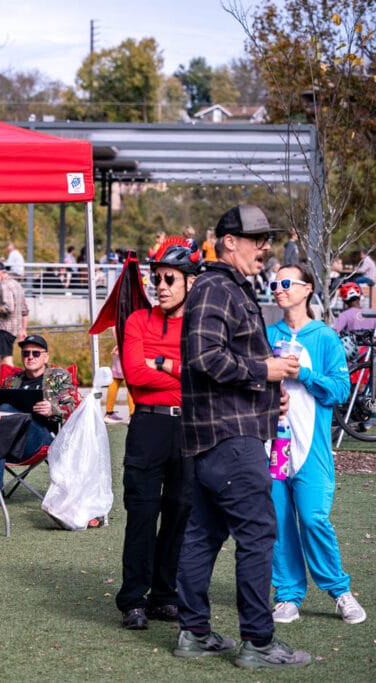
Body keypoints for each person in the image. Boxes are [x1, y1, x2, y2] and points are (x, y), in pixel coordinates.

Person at [176, 204, 311, 669]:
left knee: (205, 533)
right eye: (257, 239)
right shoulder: (217, 287)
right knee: (257, 533)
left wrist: (268, 393)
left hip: (219, 437)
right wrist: (264, 371)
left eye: (267, 239)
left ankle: (194, 632)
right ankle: (257, 641)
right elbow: (204, 357)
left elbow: (219, 362)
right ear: (229, 241)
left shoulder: (222, 286)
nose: (265, 247)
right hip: (231, 440)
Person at [266, 264, 365, 625]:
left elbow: (339, 390)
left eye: (286, 283)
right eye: (274, 284)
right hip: (274, 447)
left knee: (312, 518)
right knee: (278, 522)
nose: (278, 289)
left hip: (312, 450)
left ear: (307, 288)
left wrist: (303, 374)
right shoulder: (267, 334)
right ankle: (287, 595)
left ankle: (340, 591)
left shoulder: (324, 337)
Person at [116, 239, 200, 630]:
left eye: (170, 279)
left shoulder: (200, 325)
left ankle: (164, 596)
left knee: (181, 513)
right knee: (142, 514)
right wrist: (181, 374)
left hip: (189, 428)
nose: (161, 286)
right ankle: (133, 599)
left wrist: (162, 363)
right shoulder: (137, 321)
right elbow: (135, 373)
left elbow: (204, 379)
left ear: (190, 283)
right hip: (148, 426)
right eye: (157, 279)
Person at [0, 334, 76, 518]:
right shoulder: (12, 380)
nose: (30, 357)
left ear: (45, 357)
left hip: (40, 438)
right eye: (26, 353)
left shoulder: (58, 377)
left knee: (4, 417)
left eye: (36, 353)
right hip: (9, 439)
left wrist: (52, 409)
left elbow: (72, 406)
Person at [0, 261, 28, 367]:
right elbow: (25, 310)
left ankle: (10, 378)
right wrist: (23, 329)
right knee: (0, 358)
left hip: (5, 328)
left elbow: (8, 308)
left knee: (5, 360)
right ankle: (0, 377)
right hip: (15, 329)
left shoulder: (4, 285)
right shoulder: (17, 284)